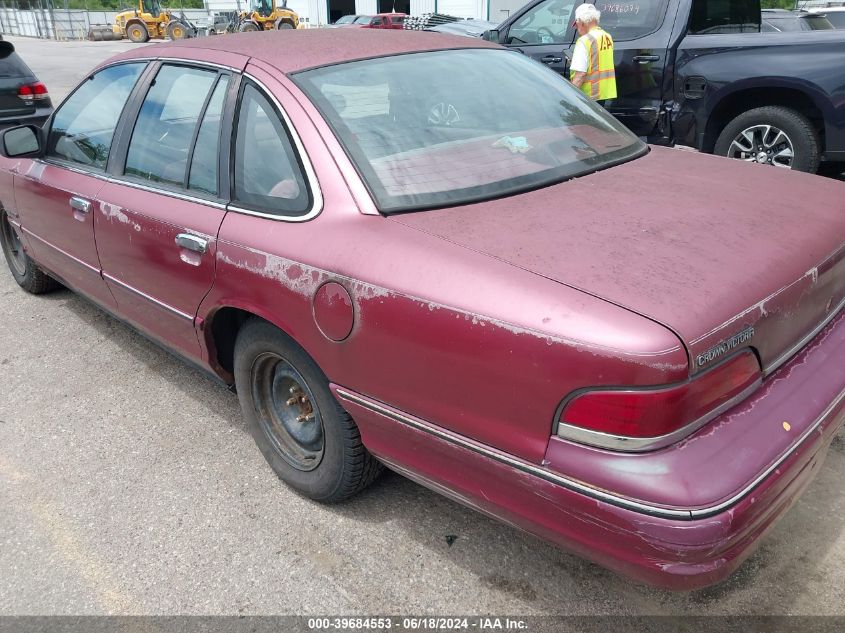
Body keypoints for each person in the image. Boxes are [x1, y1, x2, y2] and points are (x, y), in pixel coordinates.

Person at [569, 4, 617, 102]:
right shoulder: (607, 36)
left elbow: (580, 75)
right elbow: (597, 62)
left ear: (581, 21)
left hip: (588, 96)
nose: (577, 29)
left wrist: (571, 98)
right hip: (604, 94)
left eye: (577, 25)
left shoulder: (584, 41)